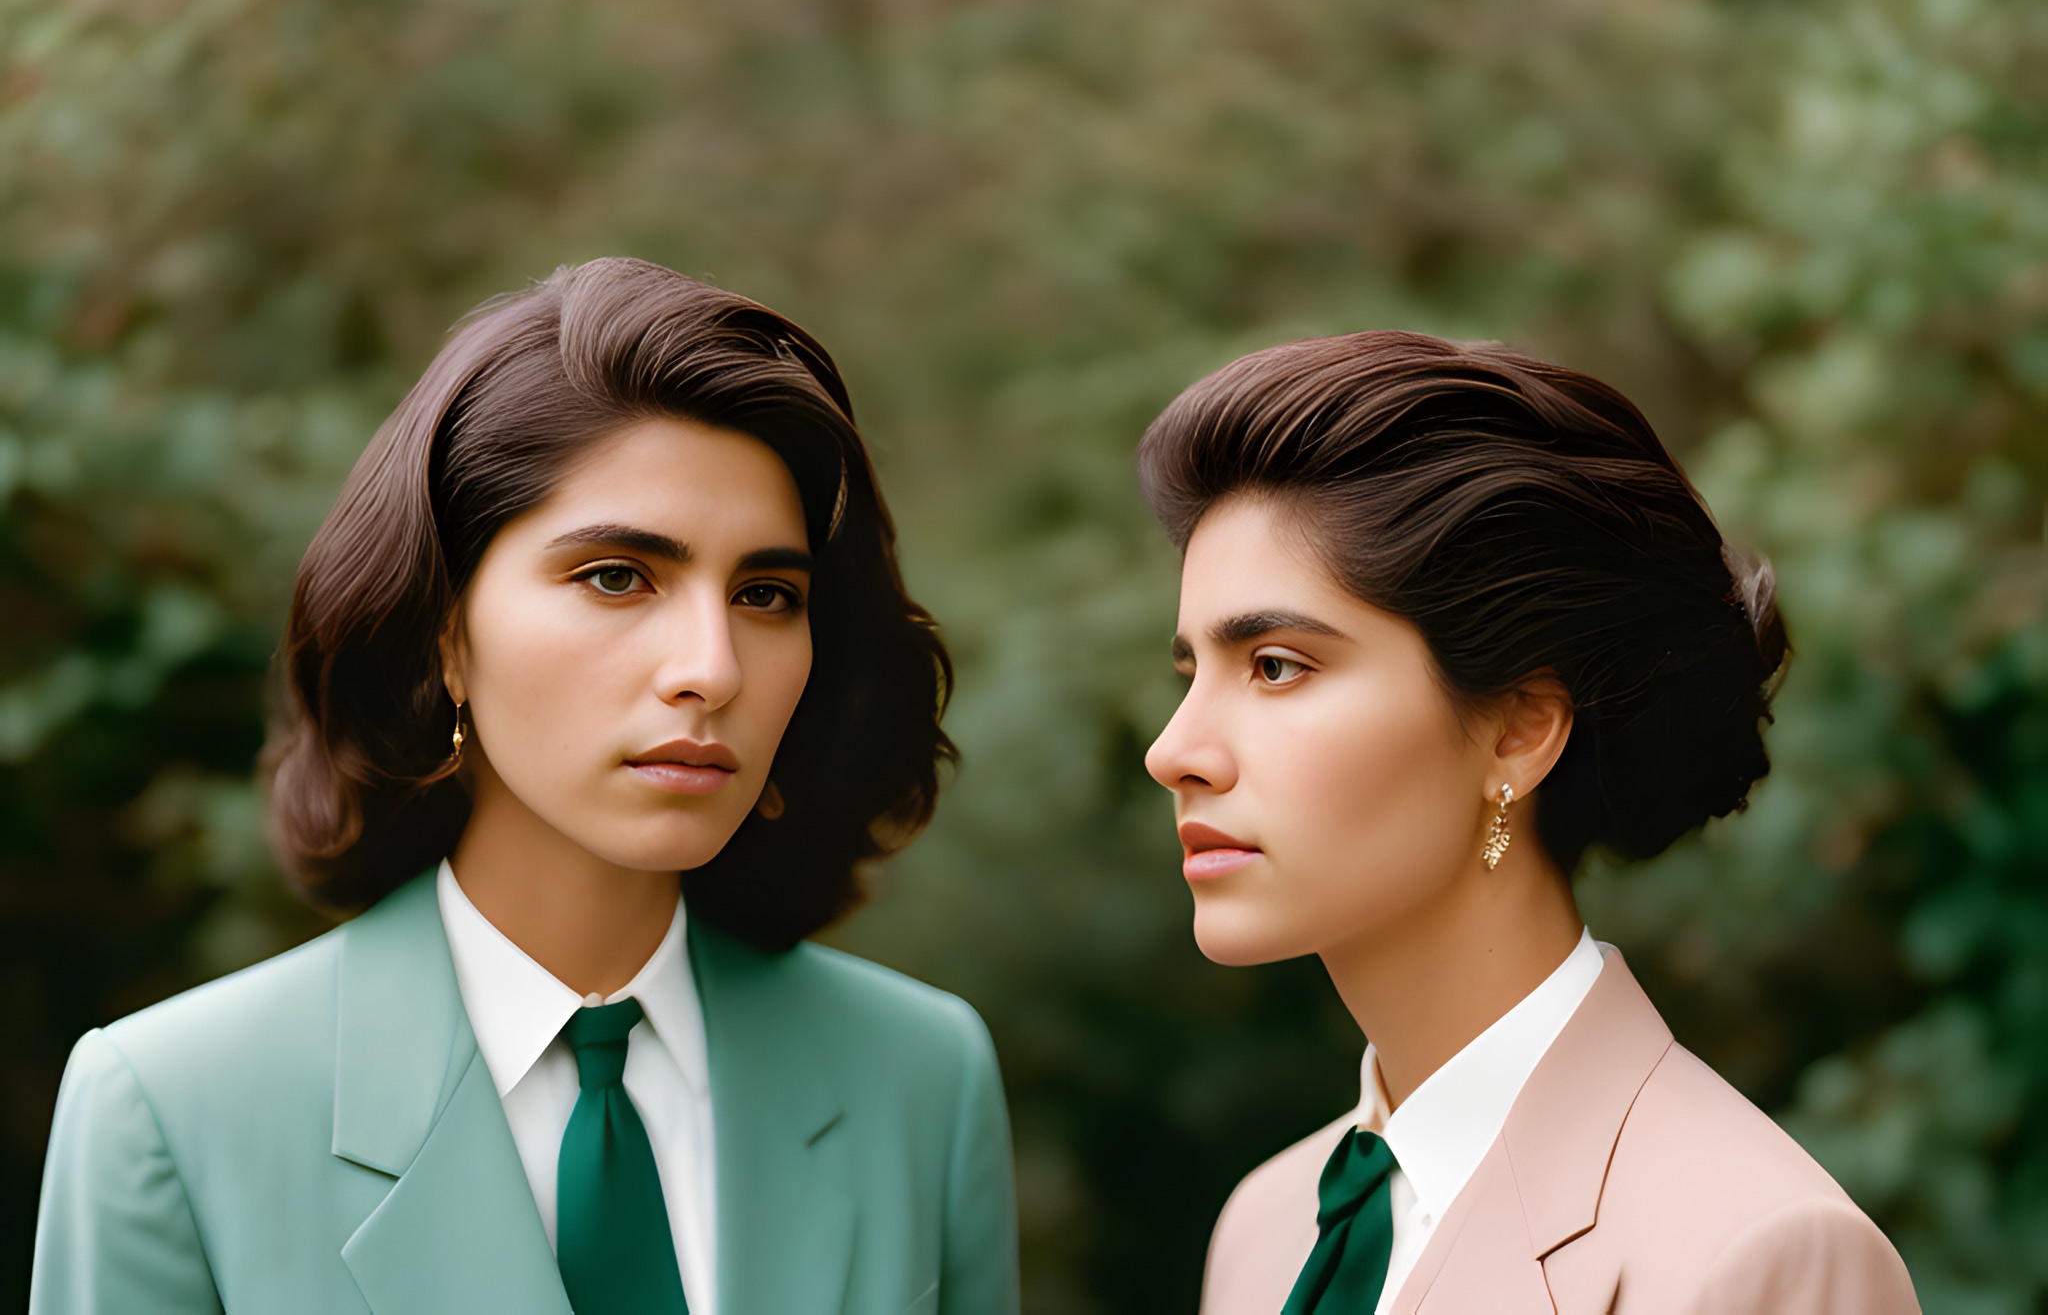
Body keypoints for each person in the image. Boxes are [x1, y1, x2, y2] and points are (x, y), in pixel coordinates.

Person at [30, 258, 1018, 1315]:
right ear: (444, 632)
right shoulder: (171, 1109)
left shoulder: (920, 1077)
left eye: (766, 594)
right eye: (616, 576)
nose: (712, 666)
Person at [1138, 331, 1918, 1314]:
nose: (1174, 751)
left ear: (1517, 731)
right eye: (1188, 672)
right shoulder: (1265, 1231)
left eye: (1274, 667)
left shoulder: (1760, 1257)